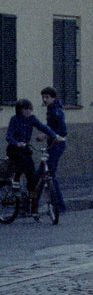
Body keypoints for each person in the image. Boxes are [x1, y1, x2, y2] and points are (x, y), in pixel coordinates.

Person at [5, 98, 59, 201]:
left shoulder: (32, 119)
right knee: (22, 160)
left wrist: (53, 135)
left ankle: (31, 198)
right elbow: (9, 136)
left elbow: (43, 127)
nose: (28, 111)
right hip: (14, 149)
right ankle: (16, 181)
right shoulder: (14, 119)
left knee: (31, 172)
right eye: (25, 109)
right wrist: (17, 143)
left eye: (30, 109)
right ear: (19, 110)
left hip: (25, 149)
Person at [37, 87, 67, 217]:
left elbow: (62, 130)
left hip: (57, 145)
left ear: (53, 98)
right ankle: (58, 205)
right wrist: (45, 135)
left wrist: (51, 136)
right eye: (43, 97)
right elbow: (51, 128)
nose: (45, 99)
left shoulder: (56, 111)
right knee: (44, 174)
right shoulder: (51, 109)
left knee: (46, 174)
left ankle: (58, 205)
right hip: (53, 144)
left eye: (47, 97)